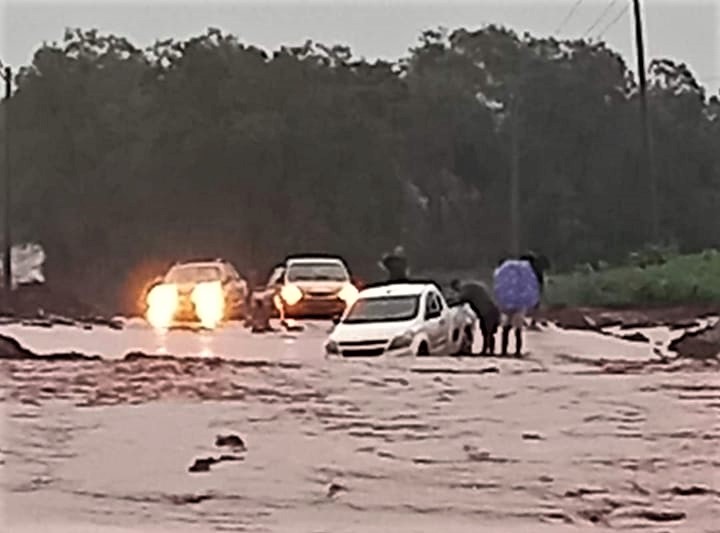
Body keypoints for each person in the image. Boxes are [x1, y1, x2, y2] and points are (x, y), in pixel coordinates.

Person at [493, 256, 541, 357]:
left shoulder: (504, 273)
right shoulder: (525, 273)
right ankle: (517, 352)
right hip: (520, 305)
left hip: (508, 305)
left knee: (506, 328)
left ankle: (503, 351)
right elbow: (532, 287)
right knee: (517, 329)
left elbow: (498, 288)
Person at [450, 279, 499, 355]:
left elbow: (459, 300)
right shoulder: (473, 285)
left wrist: (447, 304)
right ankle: (488, 350)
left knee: (487, 332)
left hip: (486, 312)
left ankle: (488, 351)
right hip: (492, 309)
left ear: (456, 286)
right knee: (488, 332)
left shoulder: (466, 290)